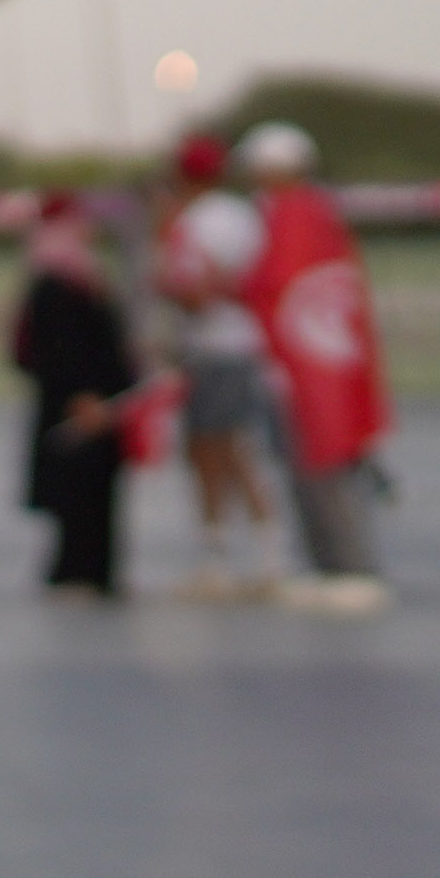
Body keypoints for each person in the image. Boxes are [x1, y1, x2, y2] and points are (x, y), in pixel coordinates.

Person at [232, 122, 393, 613]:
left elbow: (272, 284)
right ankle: (331, 566)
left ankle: (348, 567)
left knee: (322, 463)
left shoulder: (293, 215)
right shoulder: (316, 212)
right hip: (321, 361)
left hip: (309, 365)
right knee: (314, 464)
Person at [158, 135, 291, 598]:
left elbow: (189, 291)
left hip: (214, 347)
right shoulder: (243, 215)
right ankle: (260, 552)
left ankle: (227, 558)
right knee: (229, 449)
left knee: (213, 452)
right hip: (244, 344)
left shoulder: (192, 222)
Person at [7, 193, 137, 598]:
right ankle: (77, 573)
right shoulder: (57, 283)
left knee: (94, 492)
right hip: (80, 405)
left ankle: (94, 572)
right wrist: (82, 395)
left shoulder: (80, 276)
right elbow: (62, 349)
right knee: (78, 493)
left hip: (95, 404)